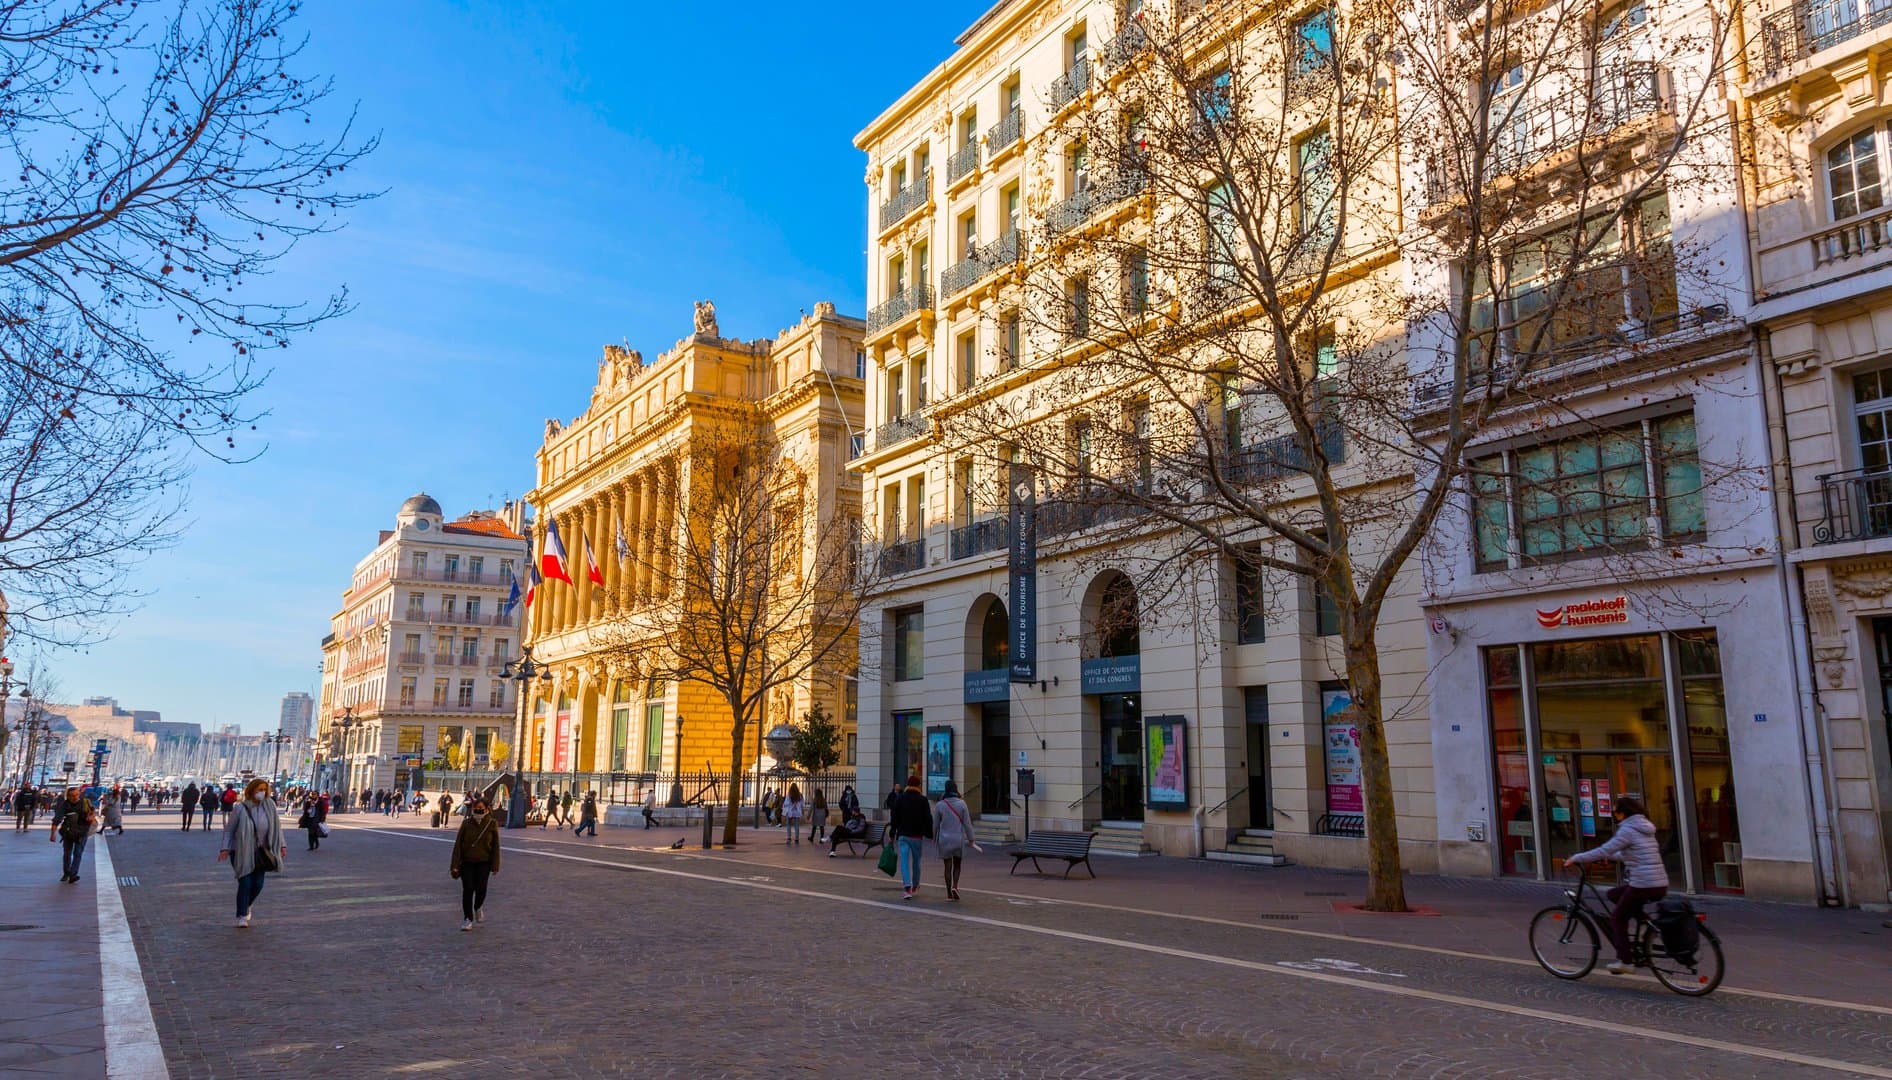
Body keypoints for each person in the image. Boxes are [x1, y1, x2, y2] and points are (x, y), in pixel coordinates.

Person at [1566, 795, 1669, 976]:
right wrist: (1611, 857)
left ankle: (1626, 961)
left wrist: (1576, 858)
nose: (1614, 815)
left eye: (1615, 811)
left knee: (1617, 919)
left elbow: (1605, 849)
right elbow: (1628, 853)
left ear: (1622, 813)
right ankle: (1645, 923)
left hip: (1642, 884)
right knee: (1613, 894)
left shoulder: (1628, 830)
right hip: (1659, 883)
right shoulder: (1645, 828)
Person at [218, 778, 287, 929]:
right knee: (245, 882)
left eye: (264, 790)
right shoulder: (240, 808)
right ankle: (242, 916)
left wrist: (282, 845)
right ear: (251, 791)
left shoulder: (270, 806)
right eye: (258, 790)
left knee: (258, 884)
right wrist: (224, 848)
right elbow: (229, 830)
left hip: (262, 852)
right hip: (241, 851)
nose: (261, 793)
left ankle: (247, 904)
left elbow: (277, 827)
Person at [450, 794, 501, 931]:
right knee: (468, 889)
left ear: (486, 809)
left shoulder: (491, 824)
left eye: (481, 808)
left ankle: (478, 906)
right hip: (467, 862)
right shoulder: (466, 823)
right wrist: (454, 865)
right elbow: (458, 845)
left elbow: (496, 846)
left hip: (484, 862)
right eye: (476, 808)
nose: (478, 810)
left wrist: (495, 865)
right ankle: (468, 918)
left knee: (481, 888)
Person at [890, 775, 933, 901]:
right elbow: (928, 818)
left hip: (903, 834)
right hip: (917, 836)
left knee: (904, 861)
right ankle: (915, 884)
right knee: (916, 862)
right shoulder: (923, 800)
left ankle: (907, 887)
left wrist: (892, 833)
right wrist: (929, 834)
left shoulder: (900, 798)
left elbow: (894, 817)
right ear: (919, 786)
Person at [932, 779, 975, 902]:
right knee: (957, 864)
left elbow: (935, 824)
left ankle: (948, 893)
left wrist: (934, 837)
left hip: (944, 840)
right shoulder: (962, 804)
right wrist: (971, 839)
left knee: (947, 866)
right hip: (958, 838)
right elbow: (967, 824)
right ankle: (955, 886)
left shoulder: (940, 805)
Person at [50, 787, 96, 883]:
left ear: (79, 794)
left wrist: (91, 817)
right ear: (68, 796)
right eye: (72, 796)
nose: (75, 797)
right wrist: (52, 834)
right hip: (68, 832)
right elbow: (57, 819)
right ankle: (66, 873)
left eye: (76, 795)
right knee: (67, 853)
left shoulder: (85, 802)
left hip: (82, 832)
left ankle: (73, 874)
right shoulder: (64, 805)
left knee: (78, 853)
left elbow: (92, 811)